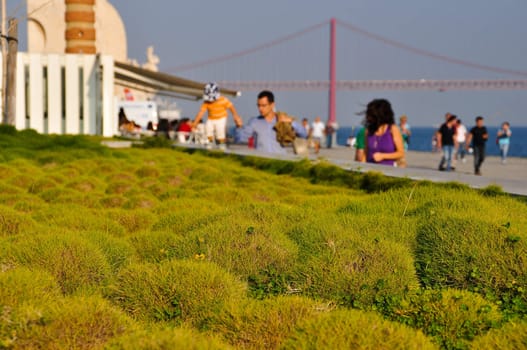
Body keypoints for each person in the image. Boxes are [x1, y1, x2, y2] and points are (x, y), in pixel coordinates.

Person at [241, 90, 307, 154]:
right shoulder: (254, 122)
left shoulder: (283, 120)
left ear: (272, 105)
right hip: (261, 161)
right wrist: (238, 127)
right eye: (258, 105)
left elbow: (304, 134)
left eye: (263, 105)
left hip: (280, 161)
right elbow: (240, 138)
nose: (260, 109)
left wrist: (291, 123)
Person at [192, 82, 243, 149]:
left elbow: (231, 107)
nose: (211, 101)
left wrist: (235, 116)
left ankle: (221, 144)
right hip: (211, 118)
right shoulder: (206, 102)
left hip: (221, 118)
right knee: (208, 129)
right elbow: (200, 113)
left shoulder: (223, 99)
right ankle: (210, 142)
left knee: (220, 130)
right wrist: (195, 124)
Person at [362, 99, 404, 166]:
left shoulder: (393, 129)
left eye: (371, 115)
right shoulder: (368, 131)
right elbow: (365, 152)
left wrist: (383, 156)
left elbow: (400, 153)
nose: (368, 118)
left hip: (389, 171)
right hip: (370, 171)